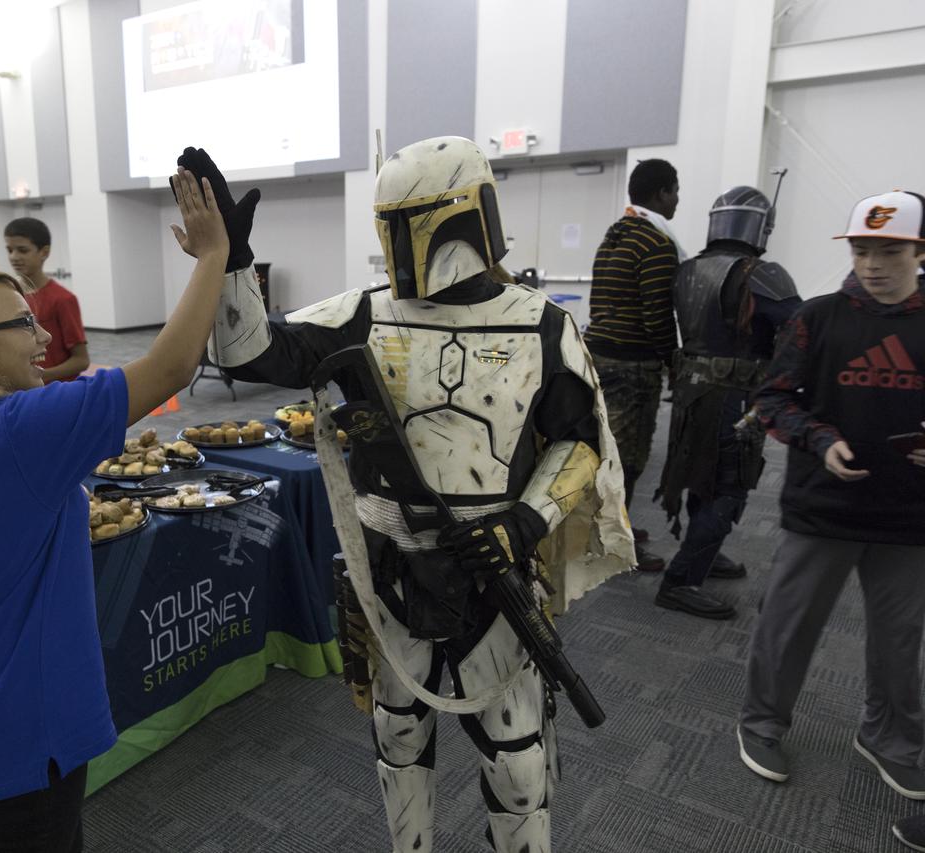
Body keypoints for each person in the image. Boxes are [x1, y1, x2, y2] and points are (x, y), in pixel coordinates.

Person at [188, 139, 632, 853]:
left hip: (494, 573)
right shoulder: (363, 313)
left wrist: (522, 522)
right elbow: (249, 352)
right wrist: (232, 264)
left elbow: (580, 440)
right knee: (397, 734)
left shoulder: (542, 324)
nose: (400, 243)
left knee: (518, 760)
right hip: (392, 566)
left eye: (410, 221)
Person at [0, 169, 227, 852]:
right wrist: (213, 254)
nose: (42, 338)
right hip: (18, 729)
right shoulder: (13, 430)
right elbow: (172, 365)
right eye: (21, 324)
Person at [737, 191, 925, 800]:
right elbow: (771, 399)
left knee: (900, 644)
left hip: (909, 517)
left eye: (890, 250)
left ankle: (891, 739)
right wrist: (820, 439)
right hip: (821, 509)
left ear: (918, 251)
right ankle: (762, 724)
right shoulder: (815, 318)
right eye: (863, 249)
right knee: (787, 628)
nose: (873, 263)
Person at [653, 186, 801, 619]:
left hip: (689, 394)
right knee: (730, 487)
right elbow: (800, 322)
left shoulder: (687, 269)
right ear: (760, 227)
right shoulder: (759, 272)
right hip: (733, 398)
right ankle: (681, 580)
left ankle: (704, 550)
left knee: (703, 475)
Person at [584, 159, 682, 572]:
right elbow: (657, 316)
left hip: (599, 357)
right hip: (632, 366)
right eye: (675, 191)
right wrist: (672, 360)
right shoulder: (656, 244)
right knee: (629, 457)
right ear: (661, 193)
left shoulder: (614, 237)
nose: (677, 200)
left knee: (608, 451)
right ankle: (613, 540)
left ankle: (615, 524)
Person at [5, 217, 90, 381]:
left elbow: (81, 360)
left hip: (55, 393)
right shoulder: (9, 296)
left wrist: (39, 376)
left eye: (22, 250)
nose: (14, 257)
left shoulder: (63, 299)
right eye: (10, 250)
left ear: (44, 252)